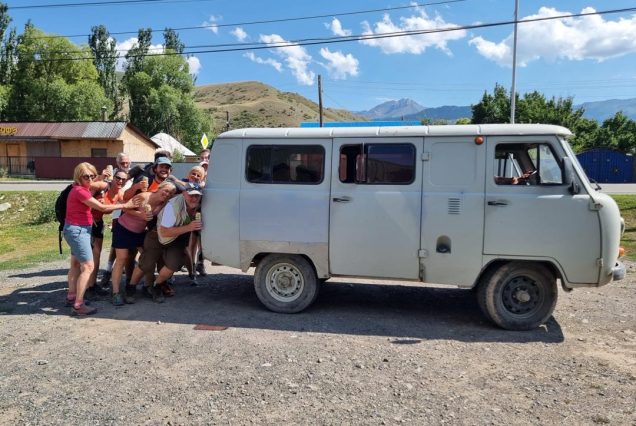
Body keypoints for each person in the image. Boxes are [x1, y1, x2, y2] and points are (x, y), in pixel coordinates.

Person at [63, 162, 138, 316]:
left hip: (75, 229)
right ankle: (78, 304)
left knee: (76, 264)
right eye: (86, 176)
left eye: (92, 175)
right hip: (79, 231)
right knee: (88, 266)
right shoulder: (81, 191)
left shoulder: (80, 188)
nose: (90, 179)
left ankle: (72, 296)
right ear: (78, 176)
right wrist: (126, 205)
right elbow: (102, 208)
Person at [122, 181, 177, 301]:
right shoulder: (144, 196)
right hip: (132, 229)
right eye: (166, 190)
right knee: (146, 263)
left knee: (162, 263)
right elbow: (125, 207)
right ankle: (130, 288)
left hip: (156, 234)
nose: (167, 194)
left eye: (171, 193)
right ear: (159, 188)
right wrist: (140, 215)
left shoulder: (166, 203)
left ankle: (153, 287)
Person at [150, 183, 203, 303]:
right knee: (162, 264)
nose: (194, 198)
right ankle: (155, 286)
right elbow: (164, 232)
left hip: (179, 234)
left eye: (197, 196)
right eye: (191, 195)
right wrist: (189, 227)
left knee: (179, 261)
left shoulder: (199, 203)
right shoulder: (172, 207)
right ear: (184, 194)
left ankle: (186, 276)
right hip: (162, 236)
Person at [86, 169, 127, 299]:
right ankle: (85, 289)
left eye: (123, 179)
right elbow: (83, 187)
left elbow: (127, 205)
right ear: (113, 178)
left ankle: (92, 286)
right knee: (89, 258)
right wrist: (99, 177)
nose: (120, 181)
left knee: (96, 256)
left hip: (98, 224)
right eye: (118, 178)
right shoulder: (103, 186)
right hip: (86, 223)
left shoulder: (119, 194)